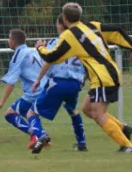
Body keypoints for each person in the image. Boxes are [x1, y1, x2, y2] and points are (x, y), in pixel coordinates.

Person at [33, 3, 132, 153]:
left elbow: (52, 57)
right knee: (86, 108)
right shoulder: (92, 26)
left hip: (103, 76)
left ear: (64, 18)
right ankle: (124, 128)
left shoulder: (69, 35)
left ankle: (128, 146)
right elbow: (118, 31)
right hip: (108, 73)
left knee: (98, 113)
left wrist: (40, 47)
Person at [28, 15, 88, 151]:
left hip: (58, 83)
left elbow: (48, 62)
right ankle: (82, 143)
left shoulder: (55, 42)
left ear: (61, 25)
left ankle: (41, 135)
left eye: (56, 23)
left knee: (31, 113)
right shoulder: (82, 43)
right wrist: (83, 79)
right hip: (75, 83)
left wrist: (38, 80)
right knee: (73, 110)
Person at [0, 29, 49, 148]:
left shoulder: (19, 54)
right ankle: (42, 136)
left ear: (13, 41)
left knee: (9, 114)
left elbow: (11, 82)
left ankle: (34, 136)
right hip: (46, 88)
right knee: (28, 113)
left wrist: (1, 102)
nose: (8, 41)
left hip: (34, 92)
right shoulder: (33, 50)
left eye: (9, 38)